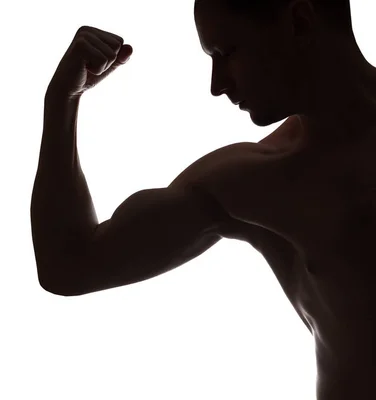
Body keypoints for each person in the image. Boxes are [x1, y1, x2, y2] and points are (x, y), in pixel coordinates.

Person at [30, 1, 376, 398]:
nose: (217, 85)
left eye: (227, 53)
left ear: (298, 21)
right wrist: (61, 101)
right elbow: (68, 265)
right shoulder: (255, 183)